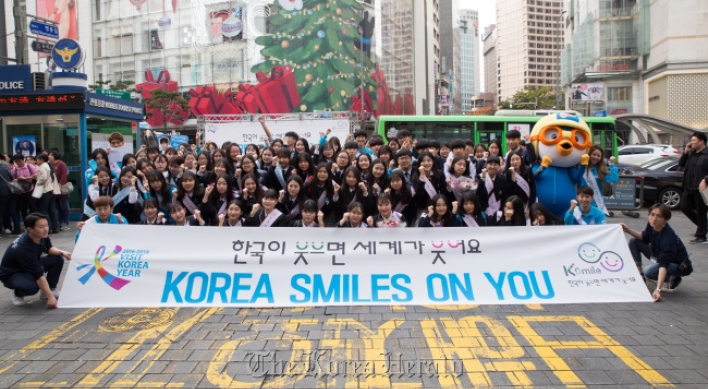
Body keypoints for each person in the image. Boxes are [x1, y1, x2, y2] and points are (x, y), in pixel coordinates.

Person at [620, 204, 692, 302]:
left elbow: (664, 264)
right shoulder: (652, 224)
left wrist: (658, 290)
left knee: (648, 272)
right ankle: (640, 277)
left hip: (678, 265)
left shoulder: (667, 238)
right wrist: (627, 230)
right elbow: (644, 237)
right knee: (634, 241)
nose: (654, 218)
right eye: (652, 214)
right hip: (658, 255)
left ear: (665, 219)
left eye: (659, 216)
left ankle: (673, 277)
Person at [0, 213, 71, 308]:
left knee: (57, 258)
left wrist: (63, 252)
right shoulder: (23, 248)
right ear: (30, 229)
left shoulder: (40, 235)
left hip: (28, 266)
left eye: (46, 225)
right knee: (32, 287)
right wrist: (51, 298)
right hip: (13, 273)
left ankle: (51, 288)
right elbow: (38, 275)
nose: (46, 229)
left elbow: (49, 248)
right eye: (41, 227)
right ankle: (18, 294)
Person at [678, 131, 708, 243]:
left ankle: (701, 236)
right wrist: (686, 152)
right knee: (685, 207)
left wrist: (705, 179)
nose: (692, 143)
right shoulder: (692, 154)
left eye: (694, 140)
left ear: (702, 142)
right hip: (688, 186)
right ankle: (703, 227)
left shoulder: (706, 154)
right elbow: (681, 164)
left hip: (701, 189)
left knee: (701, 212)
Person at [35, 154, 61, 234]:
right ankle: (55, 226)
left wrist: (38, 182)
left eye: (38, 159)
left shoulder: (43, 166)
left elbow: (43, 177)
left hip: (45, 190)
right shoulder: (48, 166)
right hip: (51, 190)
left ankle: (48, 226)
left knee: (43, 210)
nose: (37, 161)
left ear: (41, 159)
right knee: (52, 209)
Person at [11, 154, 38, 221]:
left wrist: (25, 178)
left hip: (30, 190)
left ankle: (34, 222)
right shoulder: (14, 170)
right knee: (23, 209)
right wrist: (16, 180)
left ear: (23, 160)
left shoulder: (29, 166)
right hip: (20, 192)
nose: (18, 163)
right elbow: (13, 179)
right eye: (16, 161)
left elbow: (36, 175)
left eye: (19, 161)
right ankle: (26, 223)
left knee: (33, 207)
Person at [48, 150, 71, 230]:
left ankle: (66, 223)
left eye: (50, 155)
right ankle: (60, 222)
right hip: (53, 189)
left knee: (64, 206)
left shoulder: (61, 164)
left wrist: (60, 184)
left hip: (61, 189)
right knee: (58, 207)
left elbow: (64, 175)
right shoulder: (49, 164)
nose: (49, 156)